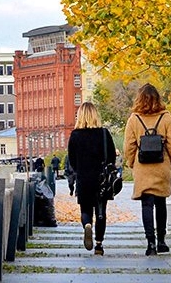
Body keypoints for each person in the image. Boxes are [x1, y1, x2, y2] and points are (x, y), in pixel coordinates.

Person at [124, 83, 171, 256]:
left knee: (146, 204)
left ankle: (150, 244)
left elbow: (129, 146)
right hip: (161, 165)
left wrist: (132, 163)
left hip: (143, 167)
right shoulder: (167, 118)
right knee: (161, 203)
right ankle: (162, 240)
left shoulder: (134, 119)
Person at [67, 101, 117, 256]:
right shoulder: (104, 133)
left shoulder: (75, 135)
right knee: (101, 211)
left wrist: (78, 172)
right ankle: (99, 246)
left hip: (84, 178)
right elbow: (111, 157)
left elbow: (72, 160)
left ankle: (87, 224)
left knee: (86, 210)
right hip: (101, 179)